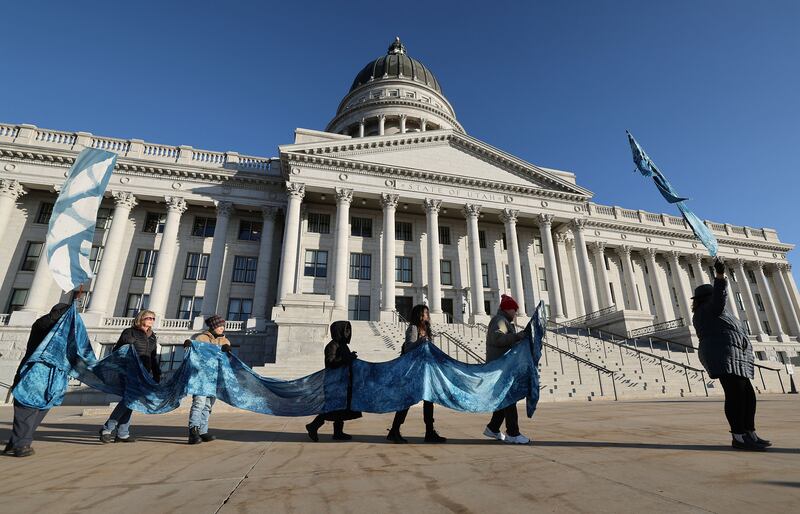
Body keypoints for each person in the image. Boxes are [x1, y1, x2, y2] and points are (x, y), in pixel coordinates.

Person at [692, 258, 770, 451]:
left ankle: (749, 432)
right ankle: (739, 436)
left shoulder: (716, 311)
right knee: (735, 395)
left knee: (748, 396)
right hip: (723, 356)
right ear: (707, 298)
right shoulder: (706, 310)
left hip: (737, 356)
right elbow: (719, 299)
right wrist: (720, 277)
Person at [3, 302, 71, 458]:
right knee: (26, 408)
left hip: (52, 377)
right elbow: (45, 329)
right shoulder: (44, 323)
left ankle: (16, 442)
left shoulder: (66, 331)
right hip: (33, 373)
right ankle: (21, 444)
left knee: (40, 408)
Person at [386, 304, 446, 444]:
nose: (428, 315)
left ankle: (430, 431)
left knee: (429, 399)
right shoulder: (413, 328)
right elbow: (408, 347)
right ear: (419, 315)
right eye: (425, 313)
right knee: (407, 399)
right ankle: (394, 430)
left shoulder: (427, 329)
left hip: (425, 369)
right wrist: (421, 340)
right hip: (412, 371)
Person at [99, 310, 161, 443]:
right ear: (141, 319)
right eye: (148, 318)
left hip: (144, 373)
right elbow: (118, 349)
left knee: (131, 401)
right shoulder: (130, 332)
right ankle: (107, 428)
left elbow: (153, 356)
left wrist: (157, 373)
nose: (151, 320)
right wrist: (129, 342)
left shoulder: (152, 336)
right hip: (129, 371)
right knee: (130, 399)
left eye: (153, 319)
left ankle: (122, 433)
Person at [483, 294, 531, 445]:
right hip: (500, 367)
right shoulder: (500, 321)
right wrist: (517, 337)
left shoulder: (503, 321)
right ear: (507, 309)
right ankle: (512, 433)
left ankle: (493, 428)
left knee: (504, 399)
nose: (515, 313)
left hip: (502, 366)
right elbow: (498, 339)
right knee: (509, 399)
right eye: (514, 310)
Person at [305, 321, 362, 442]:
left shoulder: (343, 346)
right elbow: (331, 362)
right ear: (338, 331)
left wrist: (351, 358)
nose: (348, 333)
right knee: (332, 408)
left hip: (343, 382)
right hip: (334, 383)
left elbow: (345, 361)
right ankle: (313, 426)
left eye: (349, 330)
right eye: (346, 330)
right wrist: (347, 358)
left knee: (341, 409)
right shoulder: (332, 345)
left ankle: (338, 433)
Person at [184, 314, 231, 445]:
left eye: (223, 326)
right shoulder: (201, 338)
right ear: (213, 326)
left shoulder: (225, 341)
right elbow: (196, 355)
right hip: (201, 377)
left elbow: (227, 360)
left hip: (215, 378)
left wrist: (227, 351)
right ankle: (193, 432)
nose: (222, 328)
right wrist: (190, 345)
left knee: (208, 405)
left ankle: (203, 431)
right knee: (198, 404)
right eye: (220, 326)